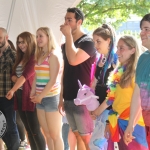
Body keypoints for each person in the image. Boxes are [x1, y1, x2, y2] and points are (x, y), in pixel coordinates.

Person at [91, 35, 148, 150]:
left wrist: (131, 125)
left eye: (121, 48)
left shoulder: (136, 73)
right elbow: (112, 99)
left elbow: (141, 102)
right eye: (117, 48)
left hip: (134, 126)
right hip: (117, 122)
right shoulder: (119, 71)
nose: (117, 52)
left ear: (133, 50)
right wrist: (107, 121)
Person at [59, 7, 96, 150]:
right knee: (77, 135)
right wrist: (61, 97)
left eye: (70, 20)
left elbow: (74, 60)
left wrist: (68, 36)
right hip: (69, 97)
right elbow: (65, 71)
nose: (66, 23)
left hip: (83, 99)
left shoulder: (88, 42)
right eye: (65, 19)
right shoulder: (66, 45)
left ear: (79, 22)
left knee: (86, 138)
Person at [6, 31, 46, 150]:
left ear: (30, 42)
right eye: (19, 42)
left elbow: (26, 76)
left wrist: (13, 89)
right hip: (20, 96)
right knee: (29, 130)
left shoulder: (34, 57)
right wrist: (17, 82)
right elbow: (13, 75)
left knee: (35, 131)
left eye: (23, 42)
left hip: (30, 96)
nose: (20, 45)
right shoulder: (21, 57)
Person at [30, 27, 63, 150]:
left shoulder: (53, 55)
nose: (38, 39)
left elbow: (53, 80)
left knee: (55, 135)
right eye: (37, 36)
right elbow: (36, 77)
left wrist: (41, 96)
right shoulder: (39, 55)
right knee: (47, 134)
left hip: (51, 98)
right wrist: (33, 92)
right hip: (40, 99)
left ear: (48, 37)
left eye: (41, 36)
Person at [124, 13, 150, 149]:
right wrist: (131, 124)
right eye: (142, 29)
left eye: (146, 29)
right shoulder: (143, 58)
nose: (142, 33)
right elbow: (138, 92)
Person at [89, 24, 117, 150]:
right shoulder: (102, 59)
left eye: (98, 41)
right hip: (99, 110)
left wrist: (98, 111)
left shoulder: (115, 60)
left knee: (98, 145)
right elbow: (93, 84)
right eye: (94, 41)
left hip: (108, 111)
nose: (96, 45)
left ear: (108, 41)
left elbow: (114, 93)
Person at [0, 27, 20, 150]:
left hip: (8, 97)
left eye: (0, 38)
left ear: (7, 38)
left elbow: (19, 78)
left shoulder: (14, 55)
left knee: (11, 127)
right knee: (1, 127)